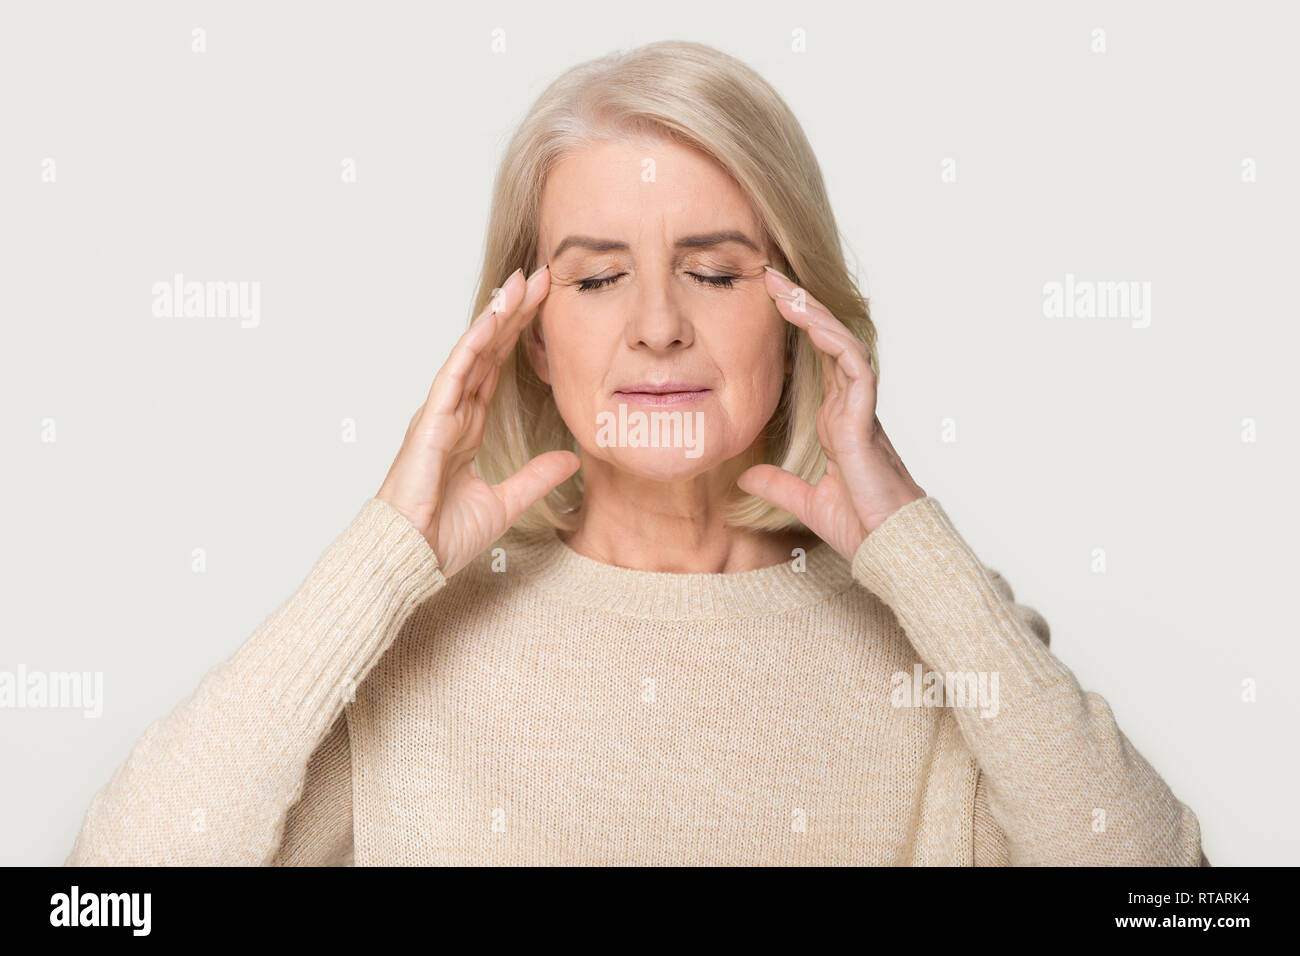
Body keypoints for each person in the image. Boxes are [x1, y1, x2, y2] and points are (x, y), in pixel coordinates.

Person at [66, 40, 1207, 866]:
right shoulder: (405, 648)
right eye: (598, 277)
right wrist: (383, 556)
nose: (657, 325)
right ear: (530, 337)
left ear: (798, 309)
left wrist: (914, 546)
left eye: (714, 271)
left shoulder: (939, 634)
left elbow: (1170, 896)